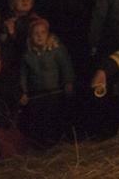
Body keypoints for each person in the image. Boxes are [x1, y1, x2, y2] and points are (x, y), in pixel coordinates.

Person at [16, 17, 75, 147]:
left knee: (55, 116)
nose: (39, 36)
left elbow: (66, 66)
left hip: (55, 92)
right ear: (30, 36)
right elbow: (23, 74)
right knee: (40, 119)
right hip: (37, 94)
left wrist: (68, 82)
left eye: (43, 32)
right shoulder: (27, 54)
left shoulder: (56, 49)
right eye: (36, 33)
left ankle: (59, 141)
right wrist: (23, 91)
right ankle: (43, 144)